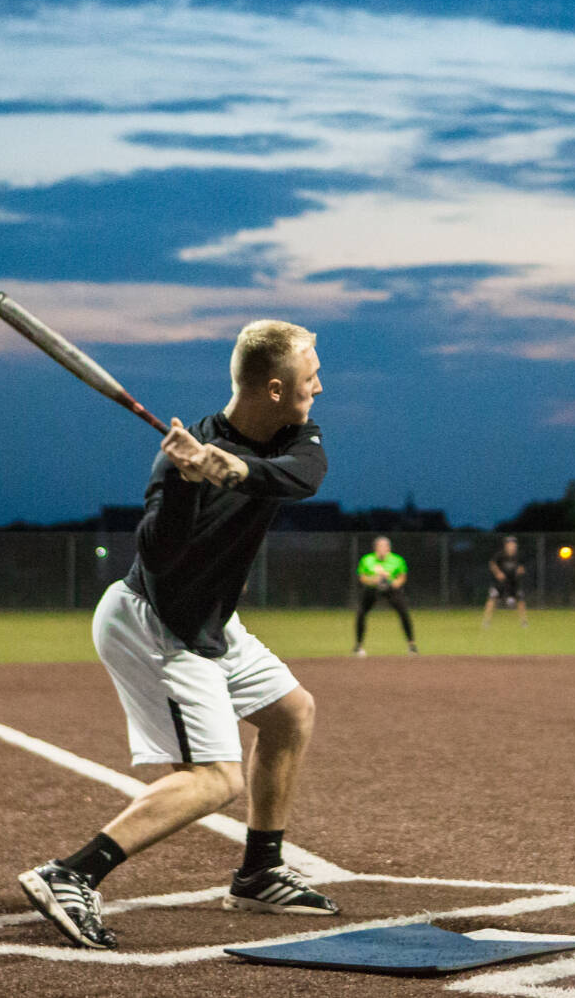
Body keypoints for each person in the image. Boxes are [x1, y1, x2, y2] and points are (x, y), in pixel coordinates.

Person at [17, 320, 337, 950]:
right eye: (311, 376)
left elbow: (307, 476)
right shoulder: (177, 461)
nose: (319, 387)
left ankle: (259, 873)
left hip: (212, 618)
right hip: (156, 622)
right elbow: (159, 558)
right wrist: (189, 483)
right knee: (215, 779)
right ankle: (71, 874)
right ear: (275, 388)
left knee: (291, 713)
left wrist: (234, 469)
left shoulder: (295, 434)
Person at [353, 535, 416, 656]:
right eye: (379, 546)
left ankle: (412, 646)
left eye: (384, 546)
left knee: (404, 612)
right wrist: (374, 579)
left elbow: (402, 577)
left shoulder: (397, 560)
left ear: (388, 548)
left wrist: (393, 582)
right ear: (375, 548)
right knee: (361, 613)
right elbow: (362, 577)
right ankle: (358, 646)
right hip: (372, 589)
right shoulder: (367, 559)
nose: (382, 548)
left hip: (390, 589)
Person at [482, 535, 529, 628]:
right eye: (510, 544)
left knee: (520, 600)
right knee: (492, 599)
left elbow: (523, 567)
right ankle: (486, 621)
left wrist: (521, 570)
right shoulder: (500, 555)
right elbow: (492, 564)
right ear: (506, 545)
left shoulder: (519, 556)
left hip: (514, 582)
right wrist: (498, 573)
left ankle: (524, 622)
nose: (512, 546)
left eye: (513, 544)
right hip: (500, 583)